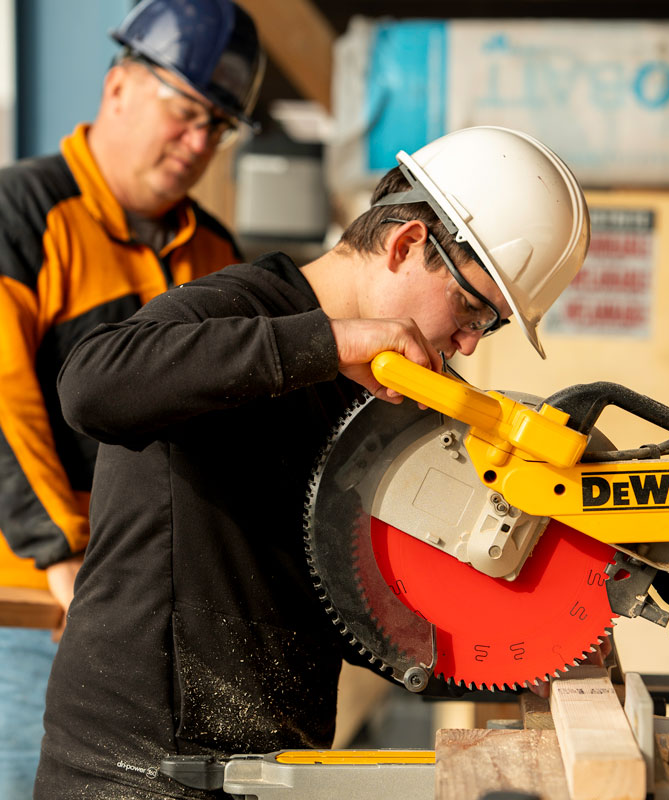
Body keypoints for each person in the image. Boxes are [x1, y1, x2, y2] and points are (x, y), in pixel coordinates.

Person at [36, 125, 590, 799]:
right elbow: (90, 385)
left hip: (273, 771)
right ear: (408, 244)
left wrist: (530, 643)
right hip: (131, 769)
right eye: (472, 308)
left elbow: (359, 602)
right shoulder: (237, 312)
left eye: (490, 324)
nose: (471, 344)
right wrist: (324, 345)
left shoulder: (393, 403)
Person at [0, 1, 265, 796]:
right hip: (29, 611)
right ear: (118, 87)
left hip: (157, 629)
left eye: (216, 126)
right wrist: (62, 560)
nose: (196, 143)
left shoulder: (219, 253)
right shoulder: (22, 213)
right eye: (184, 111)